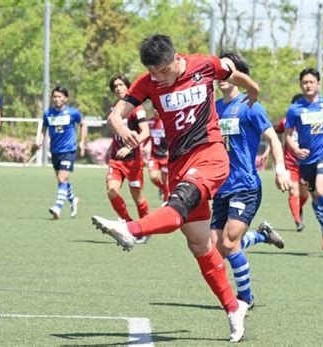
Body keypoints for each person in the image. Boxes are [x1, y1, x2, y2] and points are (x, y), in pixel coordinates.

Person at [92, 34, 261, 342]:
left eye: (163, 71)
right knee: (199, 244)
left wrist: (252, 88)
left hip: (210, 156)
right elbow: (115, 115)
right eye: (153, 72)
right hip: (178, 164)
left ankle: (132, 229)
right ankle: (233, 306)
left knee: (179, 206)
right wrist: (121, 130)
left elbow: (230, 71)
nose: (158, 78)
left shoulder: (204, 65)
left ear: (175, 59)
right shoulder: (147, 82)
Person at [210, 52, 290, 309]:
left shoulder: (250, 105)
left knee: (229, 241)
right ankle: (262, 236)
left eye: (228, 70)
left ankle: (245, 298)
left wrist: (280, 169)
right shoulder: (214, 108)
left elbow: (273, 139)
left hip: (245, 186)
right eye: (219, 71)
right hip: (221, 187)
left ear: (239, 75)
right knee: (217, 249)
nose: (221, 76)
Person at [285, 68, 323, 251]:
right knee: (315, 200)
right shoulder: (295, 110)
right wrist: (296, 149)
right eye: (304, 82)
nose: (308, 85)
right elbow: (287, 136)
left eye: (311, 82)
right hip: (305, 162)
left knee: (321, 189)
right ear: (300, 85)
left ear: (318, 83)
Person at [105, 75, 150, 242]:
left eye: (121, 85)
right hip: (116, 160)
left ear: (128, 86)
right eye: (115, 86)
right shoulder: (113, 110)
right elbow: (116, 134)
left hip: (133, 161)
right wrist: (111, 149)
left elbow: (145, 132)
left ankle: (146, 228)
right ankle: (129, 224)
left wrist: (130, 146)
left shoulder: (136, 108)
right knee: (112, 191)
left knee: (137, 195)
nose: (118, 88)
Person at [35, 85, 87, 219]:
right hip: (55, 151)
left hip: (69, 150)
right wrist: (40, 139)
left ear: (65, 98)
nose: (57, 99)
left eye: (59, 96)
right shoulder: (48, 113)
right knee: (61, 180)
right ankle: (73, 199)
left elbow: (83, 124)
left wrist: (82, 142)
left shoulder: (73, 113)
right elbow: (43, 128)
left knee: (62, 178)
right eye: (55, 96)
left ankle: (57, 207)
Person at [274, 94, 310, 231]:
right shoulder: (286, 122)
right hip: (290, 163)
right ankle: (297, 221)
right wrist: (268, 152)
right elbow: (274, 135)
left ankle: (299, 208)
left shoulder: (308, 119)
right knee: (293, 191)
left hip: (306, 163)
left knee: (304, 194)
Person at [144, 108, 170, 203]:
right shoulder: (150, 122)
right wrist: (143, 146)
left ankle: (165, 201)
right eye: (154, 109)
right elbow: (146, 135)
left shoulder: (168, 120)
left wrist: (170, 150)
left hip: (166, 156)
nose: (156, 110)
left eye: (157, 108)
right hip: (154, 156)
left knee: (165, 180)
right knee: (153, 177)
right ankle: (162, 188)